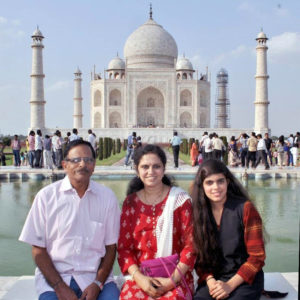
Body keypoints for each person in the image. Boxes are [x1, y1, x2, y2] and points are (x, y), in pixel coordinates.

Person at [19, 140, 120, 300]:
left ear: (94, 166)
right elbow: (38, 250)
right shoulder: (46, 197)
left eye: (88, 160)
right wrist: (60, 287)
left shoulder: (107, 198)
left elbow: (110, 248)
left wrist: (97, 283)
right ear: (64, 165)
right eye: (76, 160)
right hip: (55, 279)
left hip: (96, 278)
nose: (82, 164)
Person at [118, 144, 195, 299]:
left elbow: (191, 246)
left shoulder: (179, 201)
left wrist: (171, 281)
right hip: (141, 277)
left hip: (176, 275)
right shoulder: (130, 203)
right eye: (145, 167)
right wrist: (141, 279)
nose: (151, 172)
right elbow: (124, 249)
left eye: (156, 166)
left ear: (164, 169)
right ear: (137, 170)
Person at [192, 159, 265, 300]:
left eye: (220, 181)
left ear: (228, 182)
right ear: (201, 186)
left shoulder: (245, 209)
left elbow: (257, 257)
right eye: (209, 182)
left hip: (244, 278)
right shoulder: (198, 213)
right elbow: (200, 258)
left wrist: (230, 285)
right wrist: (210, 280)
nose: (216, 187)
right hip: (214, 278)